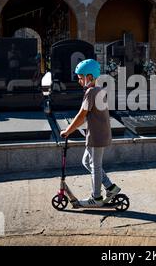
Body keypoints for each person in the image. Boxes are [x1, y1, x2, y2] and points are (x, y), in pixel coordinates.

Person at [60, 59, 121, 208]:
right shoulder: (98, 90)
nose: (79, 81)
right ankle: (110, 188)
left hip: (96, 135)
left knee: (95, 165)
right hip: (98, 133)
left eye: (81, 78)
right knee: (87, 162)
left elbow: (82, 115)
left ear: (89, 77)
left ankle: (96, 197)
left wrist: (68, 131)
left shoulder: (91, 92)